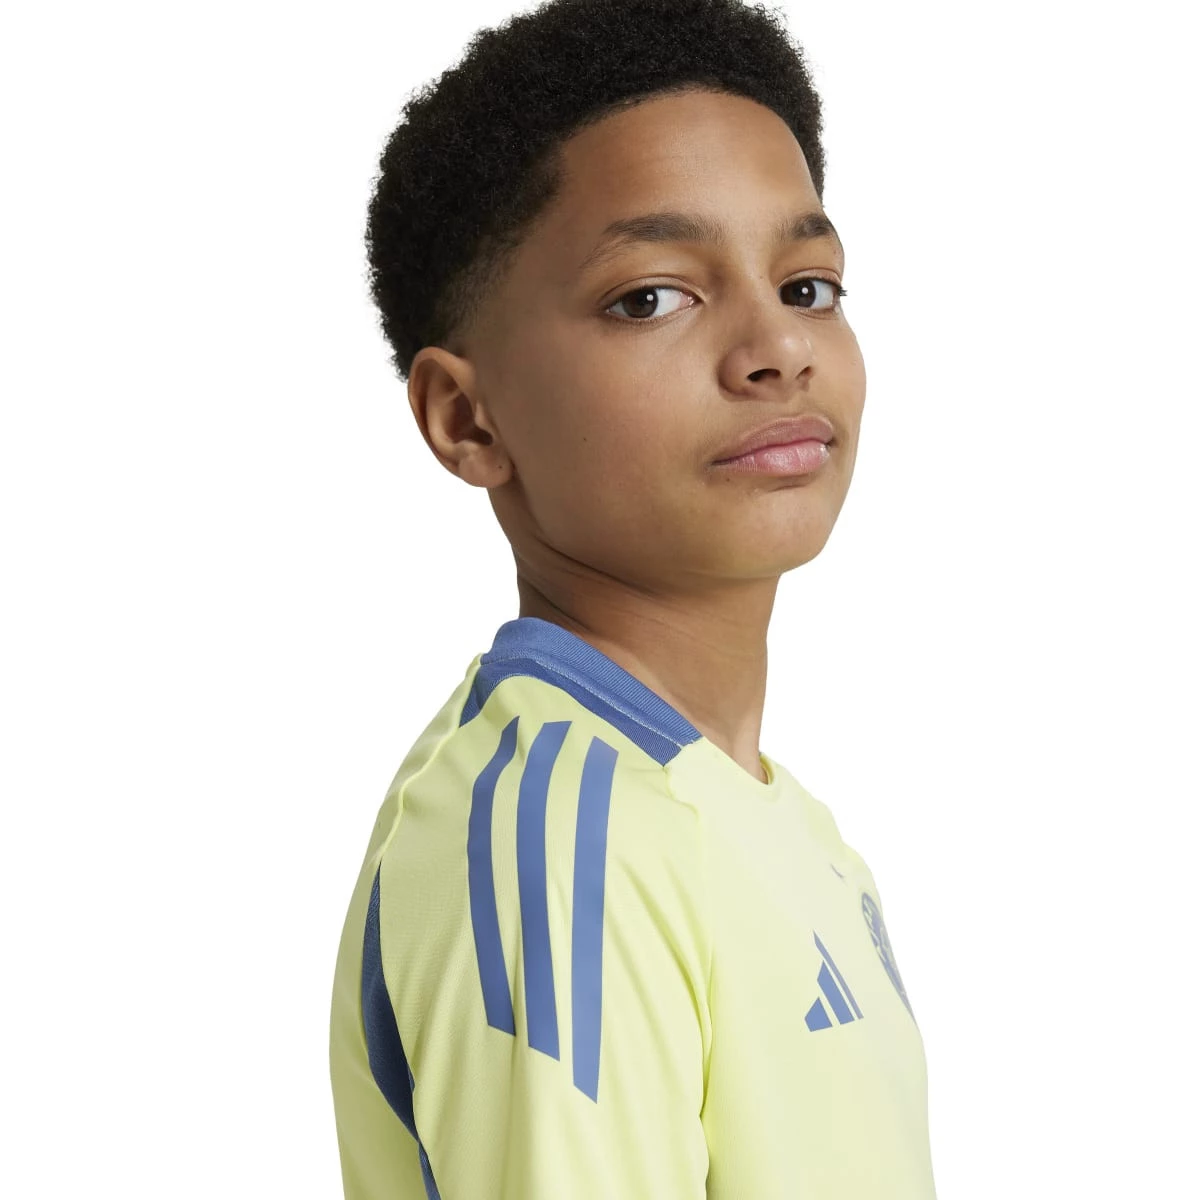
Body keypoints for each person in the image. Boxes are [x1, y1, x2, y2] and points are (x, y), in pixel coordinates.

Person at [329, 0, 936, 1195]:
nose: (777, 348)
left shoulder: (785, 828)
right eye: (650, 297)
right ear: (467, 419)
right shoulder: (565, 841)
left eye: (809, 285)